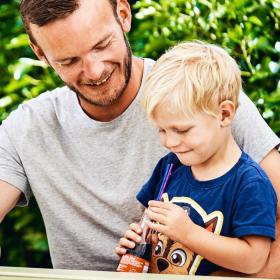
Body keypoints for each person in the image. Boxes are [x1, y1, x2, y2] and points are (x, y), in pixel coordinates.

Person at [0, 0, 279, 276]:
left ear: (123, 14)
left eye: (101, 45)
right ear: (40, 53)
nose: (95, 71)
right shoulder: (26, 128)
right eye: (69, 60)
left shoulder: (203, 97)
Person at [115, 41, 277, 275]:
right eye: (161, 130)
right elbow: (151, 225)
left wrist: (189, 233)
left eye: (181, 130)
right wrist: (138, 245)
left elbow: (254, 259)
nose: (169, 142)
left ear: (224, 114)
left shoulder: (249, 183)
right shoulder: (170, 167)